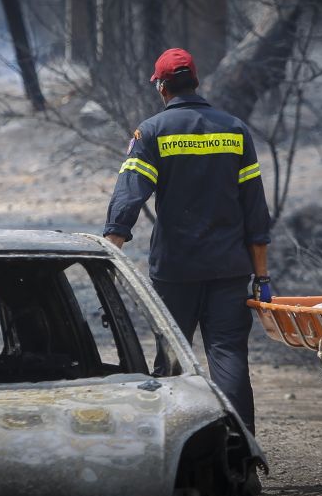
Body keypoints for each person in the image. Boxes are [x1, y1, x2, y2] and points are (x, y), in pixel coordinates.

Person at [103, 48, 273, 436]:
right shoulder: (234, 130)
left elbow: (129, 198)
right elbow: (255, 210)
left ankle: (167, 444)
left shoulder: (152, 132)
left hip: (175, 271)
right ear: (195, 81)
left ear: (162, 87)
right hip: (229, 270)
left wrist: (109, 257)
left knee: (171, 360)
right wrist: (262, 277)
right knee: (229, 357)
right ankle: (239, 449)